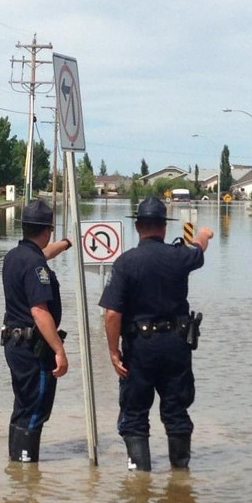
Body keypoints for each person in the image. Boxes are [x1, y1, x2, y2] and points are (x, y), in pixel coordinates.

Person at [99, 196, 214, 471]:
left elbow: (112, 314)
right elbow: (199, 248)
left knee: (135, 413)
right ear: (164, 227)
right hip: (176, 346)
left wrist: (114, 352)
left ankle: (140, 479)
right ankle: (180, 474)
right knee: (176, 411)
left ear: (138, 227)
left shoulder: (125, 263)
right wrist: (203, 234)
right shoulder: (179, 257)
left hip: (140, 349)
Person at [1, 199, 73, 462]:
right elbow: (39, 312)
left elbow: (44, 253)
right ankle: (27, 476)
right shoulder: (36, 265)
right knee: (35, 410)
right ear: (46, 230)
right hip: (34, 349)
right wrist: (59, 350)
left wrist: (68, 243)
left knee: (22, 407)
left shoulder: (15, 256)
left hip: (15, 344)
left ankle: (15, 467)